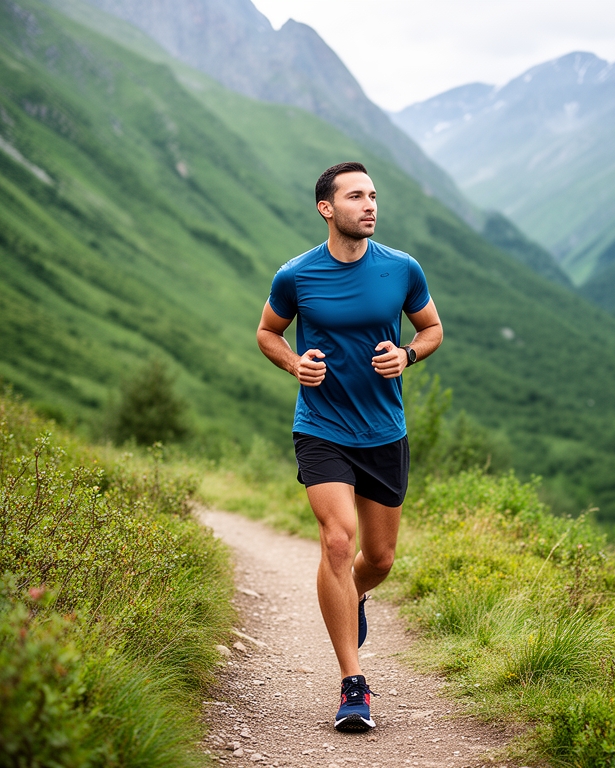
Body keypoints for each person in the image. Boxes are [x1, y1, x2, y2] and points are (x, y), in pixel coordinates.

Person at [256, 161, 443, 732]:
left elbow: (432, 330)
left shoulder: (401, 269)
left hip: (384, 430)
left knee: (379, 559)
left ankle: (352, 596)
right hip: (321, 427)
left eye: (373, 196)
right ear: (326, 208)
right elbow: (267, 332)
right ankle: (352, 683)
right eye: (356, 196)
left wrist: (407, 355)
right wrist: (295, 363)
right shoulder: (296, 276)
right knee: (338, 541)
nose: (370, 205)